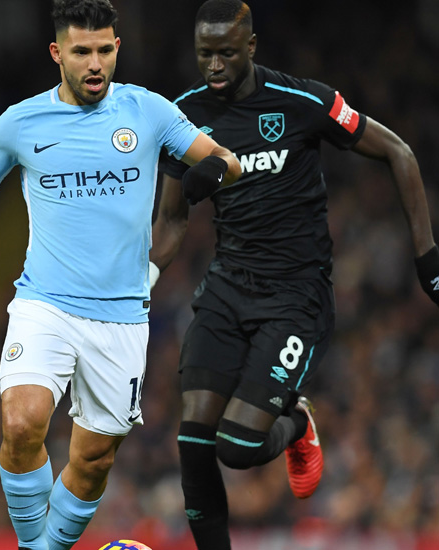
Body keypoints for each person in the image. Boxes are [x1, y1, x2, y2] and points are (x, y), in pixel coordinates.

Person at [0, 1, 241, 549]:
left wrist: (212, 169)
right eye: (82, 52)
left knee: (94, 458)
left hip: (122, 318)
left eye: (105, 50)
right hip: (44, 304)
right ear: (58, 53)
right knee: (23, 421)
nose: (95, 63)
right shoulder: (21, 122)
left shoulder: (147, 111)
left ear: (117, 48)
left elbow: (226, 159)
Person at [151, 1, 439, 549]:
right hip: (227, 290)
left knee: (235, 448)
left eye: (226, 53)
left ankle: (298, 426)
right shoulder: (182, 116)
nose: (213, 65)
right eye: (204, 54)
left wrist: (427, 258)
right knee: (192, 438)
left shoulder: (303, 102)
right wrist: (139, 282)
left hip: (295, 300)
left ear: (252, 48)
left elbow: (400, 153)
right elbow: (169, 222)